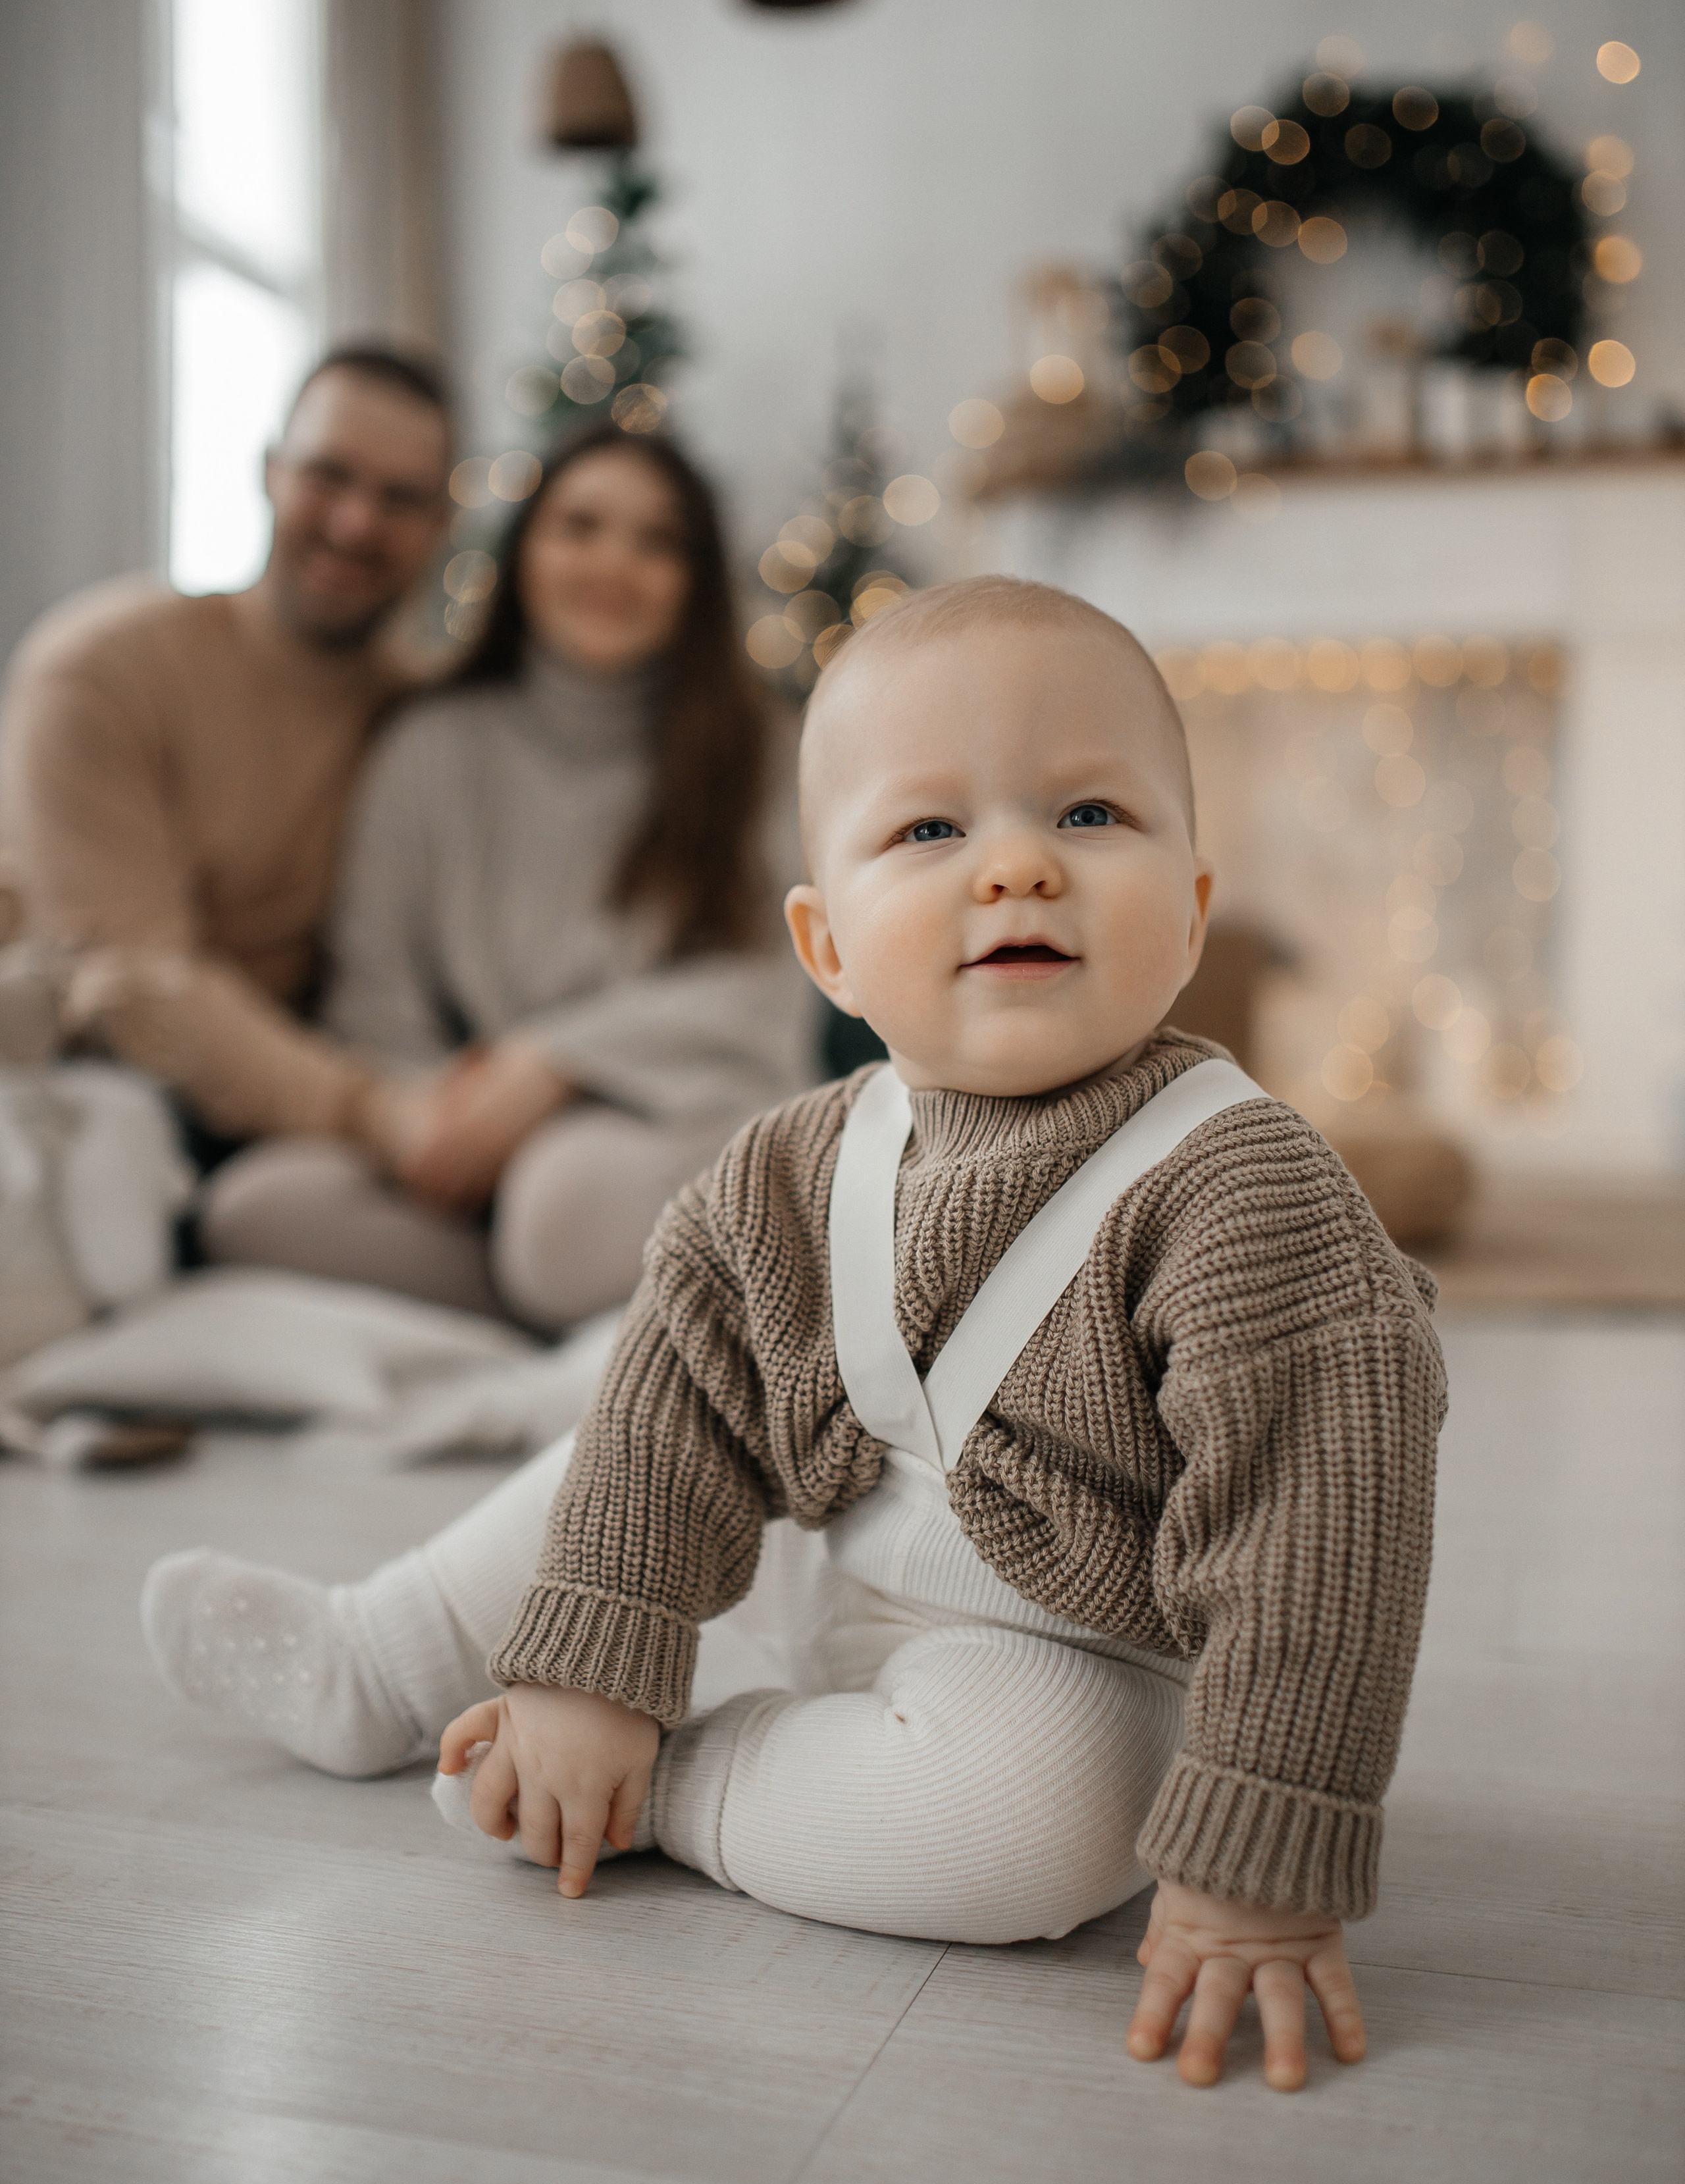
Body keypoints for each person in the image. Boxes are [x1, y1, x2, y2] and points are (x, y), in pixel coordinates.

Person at [143, 575, 1446, 2092]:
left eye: (1090, 816)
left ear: (1193, 910)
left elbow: (1319, 1545)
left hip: (1067, 1651)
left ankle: (675, 1781)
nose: (1017, 867)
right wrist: (588, 1661)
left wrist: (1259, 1844)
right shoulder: (782, 1165)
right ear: (825, 950)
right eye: (929, 831)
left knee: (1025, 1833)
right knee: (607, 1449)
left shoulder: (1247, 1193)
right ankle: (388, 1656)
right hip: (804, 1554)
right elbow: (671, 1421)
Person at [195, 425, 815, 1332]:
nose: (614, 562)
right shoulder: (431, 746)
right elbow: (375, 998)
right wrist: (436, 1117)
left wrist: (552, 1065)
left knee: (562, 1209)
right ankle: (552, 1303)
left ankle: (559, 1280)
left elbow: (767, 988)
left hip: (680, 1115)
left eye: (657, 541)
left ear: (696, 580)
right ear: (524, 549)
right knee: (254, 1207)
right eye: (581, 526)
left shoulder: (758, 747)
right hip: (480, 1137)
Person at [0, 347, 454, 1152]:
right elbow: (133, 983)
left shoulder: (425, 717)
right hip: (87, 1091)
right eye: (329, 477)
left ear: (441, 526)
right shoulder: (99, 671)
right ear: (271, 473)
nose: (356, 524)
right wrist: (380, 1114)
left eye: (401, 499)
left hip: (299, 1102)